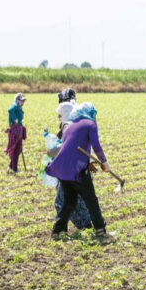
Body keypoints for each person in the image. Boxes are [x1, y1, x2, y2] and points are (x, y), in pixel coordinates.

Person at [45, 103, 115, 245]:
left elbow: (68, 148)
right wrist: (105, 163)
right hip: (76, 170)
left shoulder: (70, 125)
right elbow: (96, 146)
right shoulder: (90, 124)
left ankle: (57, 231)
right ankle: (101, 231)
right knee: (91, 200)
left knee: (70, 200)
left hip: (62, 168)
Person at [51, 97, 92, 231]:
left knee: (66, 201)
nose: (58, 117)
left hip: (71, 171)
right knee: (72, 200)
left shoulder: (69, 128)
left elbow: (64, 149)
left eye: (60, 115)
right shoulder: (70, 126)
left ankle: (79, 226)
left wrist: (51, 152)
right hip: (72, 169)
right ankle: (82, 225)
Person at [5, 93, 27, 173]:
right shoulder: (15, 105)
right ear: (17, 100)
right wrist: (15, 120)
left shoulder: (18, 107)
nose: (23, 102)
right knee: (16, 149)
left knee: (17, 149)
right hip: (15, 130)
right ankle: (14, 169)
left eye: (23, 101)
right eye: (21, 100)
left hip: (18, 129)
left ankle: (11, 166)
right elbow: (10, 110)